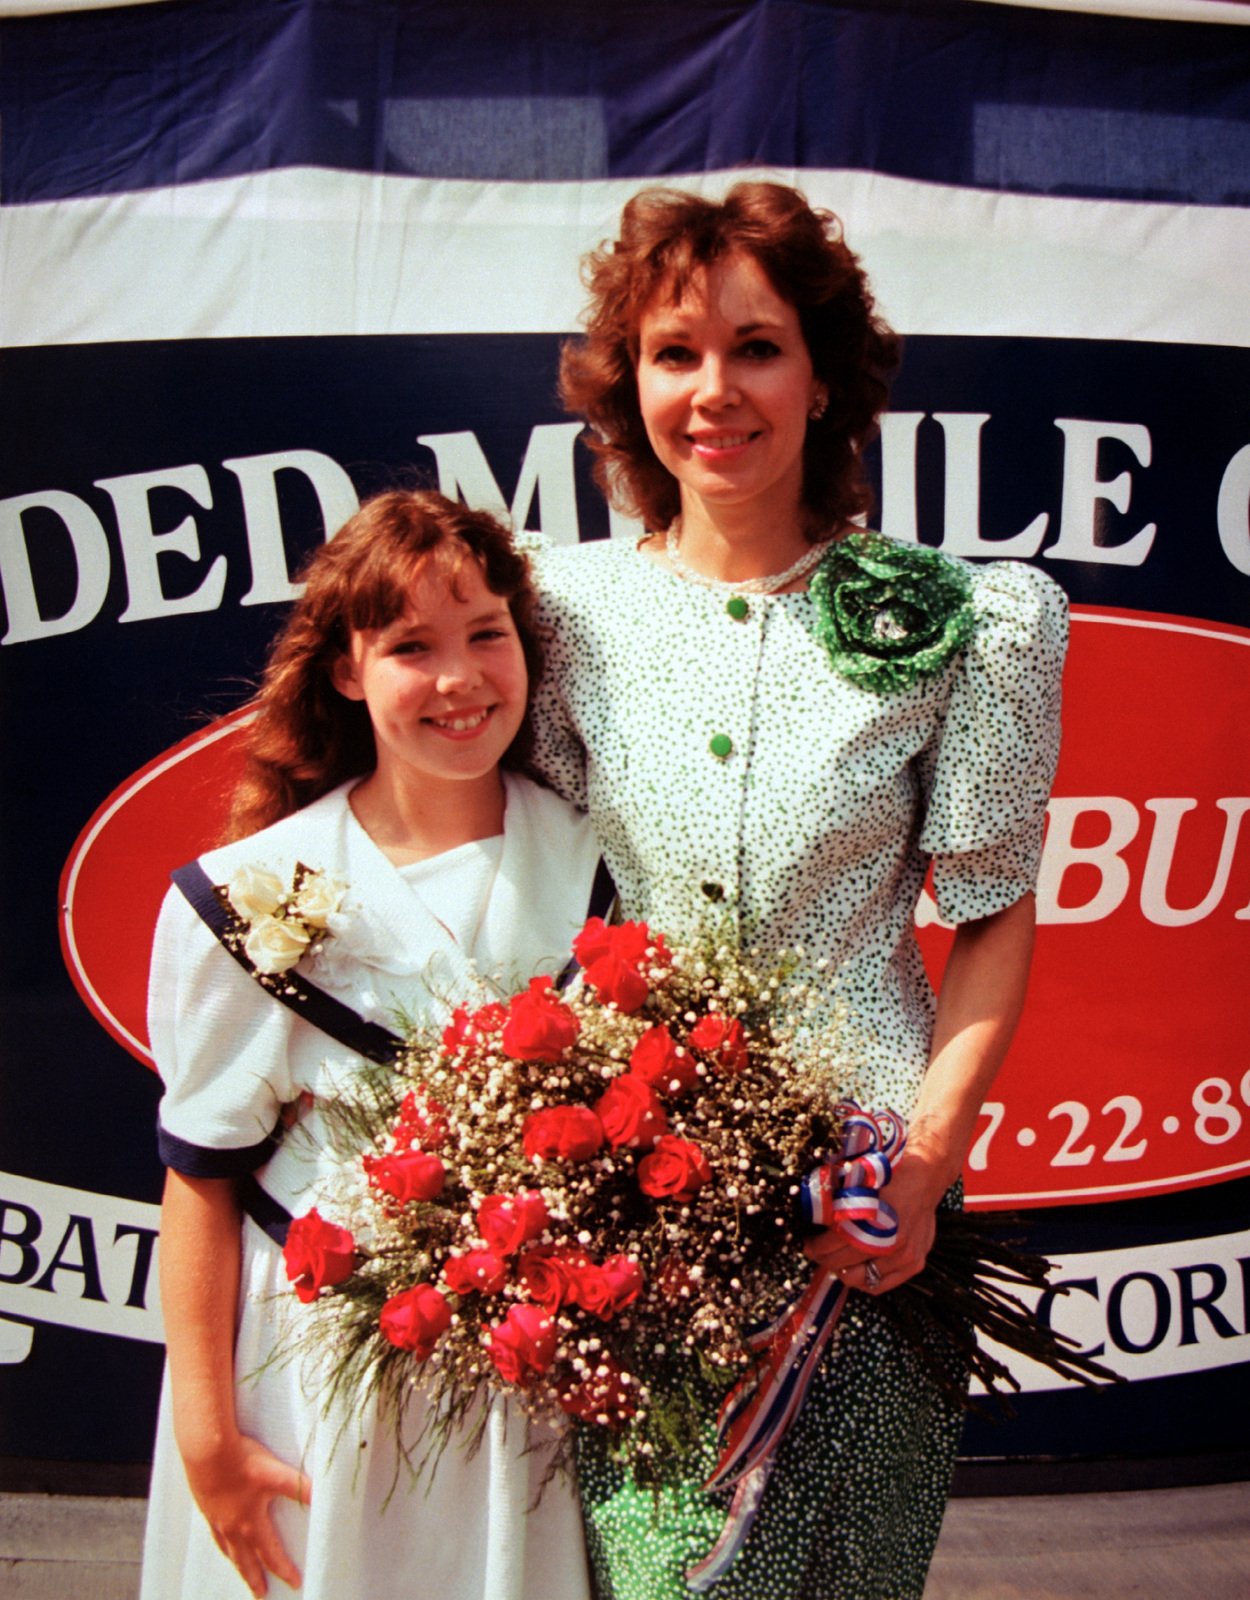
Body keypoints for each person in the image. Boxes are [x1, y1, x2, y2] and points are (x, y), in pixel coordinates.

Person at [531, 182, 1068, 1599]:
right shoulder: (558, 616)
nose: (714, 391)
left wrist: (929, 1156)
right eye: (673, 352)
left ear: (823, 376)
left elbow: (996, 907)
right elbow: (495, 878)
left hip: (869, 1226)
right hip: (636, 1226)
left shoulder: (964, 619)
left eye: (756, 347)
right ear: (626, 382)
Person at [141, 490, 600, 1600]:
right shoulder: (252, 897)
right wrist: (209, 1443)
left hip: (523, 1392)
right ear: (346, 670)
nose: (461, 678)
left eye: (486, 633)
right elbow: (199, 1184)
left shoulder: (596, 864)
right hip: (307, 1389)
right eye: (410, 647)